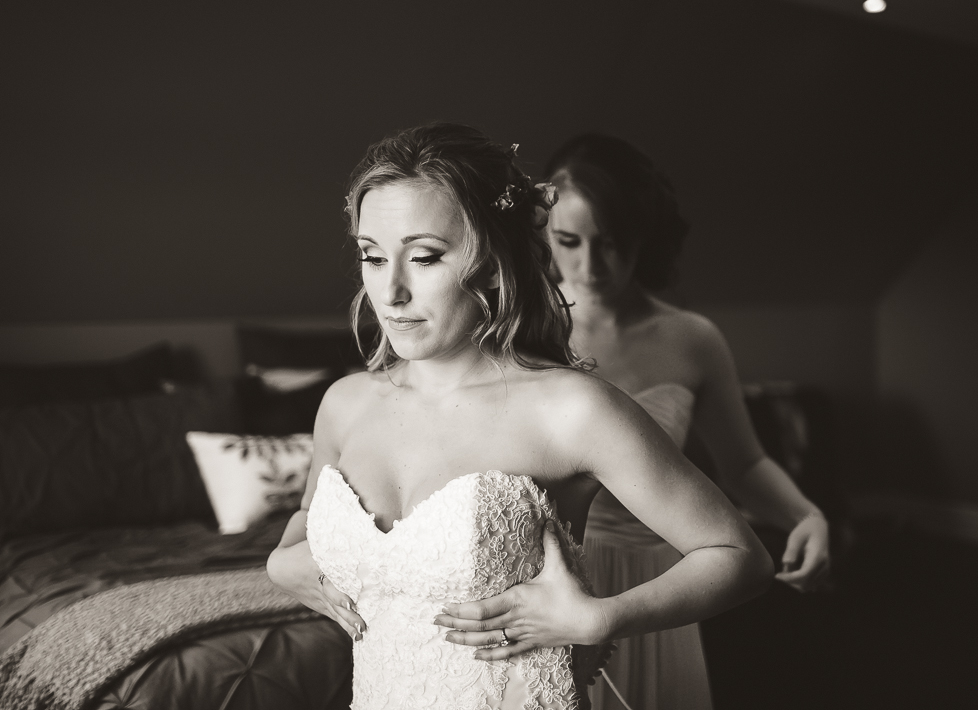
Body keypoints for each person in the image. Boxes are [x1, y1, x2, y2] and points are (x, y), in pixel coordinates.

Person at [266, 123, 773, 710]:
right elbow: (307, 522)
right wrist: (281, 565)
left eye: (425, 257)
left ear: (493, 260)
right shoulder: (345, 404)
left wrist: (598, 619)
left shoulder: (571, 409)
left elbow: (739, 556)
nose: (391, 291)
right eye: (372, 257)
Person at [543, 133, 832, 710]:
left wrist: (806, 513)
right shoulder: (524, 331)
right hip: (553, 578)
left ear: (643, 239)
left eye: (611, 244)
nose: (589, 266)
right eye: (568, 241)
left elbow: (745, 464)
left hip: (663, 586)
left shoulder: (692, 340)